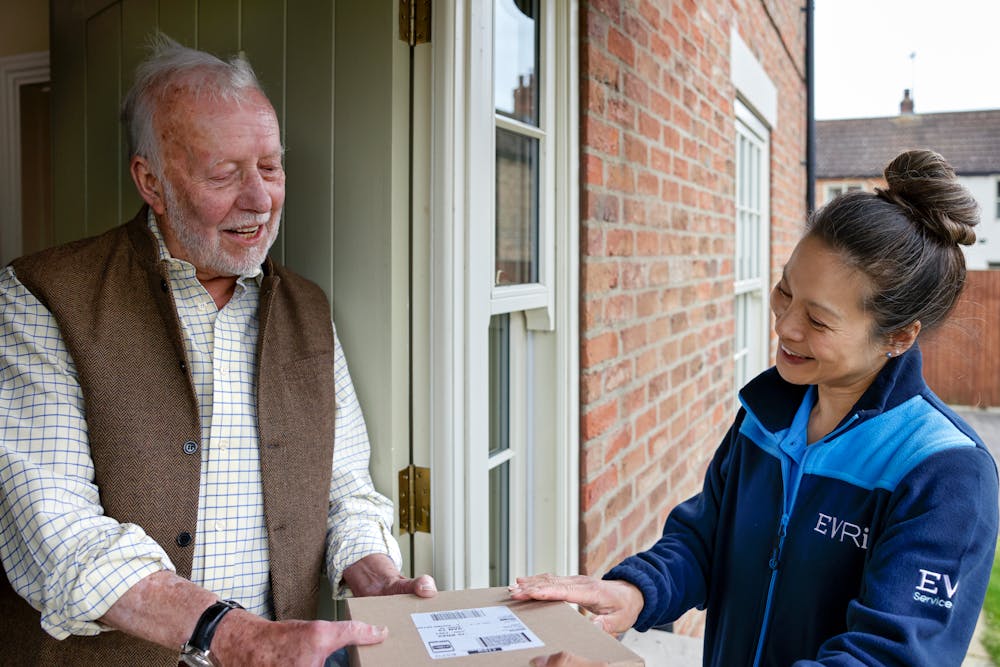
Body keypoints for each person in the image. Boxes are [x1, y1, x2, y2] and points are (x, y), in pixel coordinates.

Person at [0, 35, 435, 665]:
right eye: (224, 174)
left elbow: (344, 490)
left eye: (270, 167)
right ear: (150, 180)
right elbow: (56, 531)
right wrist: (234, 635)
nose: (259, 199)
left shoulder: (307, 310)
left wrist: (376, 578)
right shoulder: (43, 296)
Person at [512, 149, 999, 666]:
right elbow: (707, 539)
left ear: (898, 337)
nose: (785, 325)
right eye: (785, 292)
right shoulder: (767, 415)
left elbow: (886, 657)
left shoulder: (944, 471)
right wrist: (634, 593)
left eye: (818, 320)